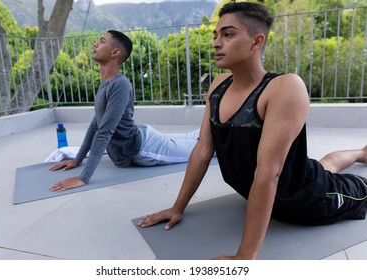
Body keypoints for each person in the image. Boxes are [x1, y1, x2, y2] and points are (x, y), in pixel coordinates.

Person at [138, 2, 367, 260]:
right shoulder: (218, 86)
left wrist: (245, 257)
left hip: (307, 198)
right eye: (216, 35)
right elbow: (203, 149)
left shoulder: (284, 87)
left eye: (228, 34)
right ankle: (361, 153)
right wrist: (177, 207)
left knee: (344, 181)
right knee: (322, 165)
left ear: (256, 41)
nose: (216, 43)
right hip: (293, 177)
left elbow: (268, 172)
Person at [49, 30, 199, 192]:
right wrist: (77, 160)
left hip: (145, 147)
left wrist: (83, 178)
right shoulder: (106, 83)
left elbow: (105, 131)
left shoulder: (120, 85)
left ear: (115, 52)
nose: (95, 44)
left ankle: (226, 137)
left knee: (202, 150)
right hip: (142, 137)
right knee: (192, 137)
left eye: (102, 41)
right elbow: (96, 123)